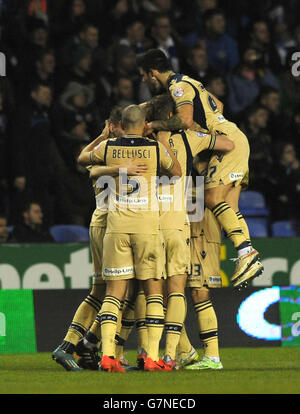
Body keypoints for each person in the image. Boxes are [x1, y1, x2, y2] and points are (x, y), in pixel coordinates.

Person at [137, 48, 264, 289]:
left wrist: (154, 124)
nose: (144, 81)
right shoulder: (189, 81)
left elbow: (183, 120)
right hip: (231, 139)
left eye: (143, 76)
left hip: (227, 143)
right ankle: (248, 256)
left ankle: (247, 252)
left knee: (211, 197)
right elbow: (219, 104)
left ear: (152, 73)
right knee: (230, 207)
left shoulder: (177, 85)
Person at [77, 104, 182, 372]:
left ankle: (108, 356)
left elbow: (83, 159)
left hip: (116, 225)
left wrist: (113, 161)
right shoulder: (154, 148)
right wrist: (160, 139)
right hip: (147, 226)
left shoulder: (109, 148)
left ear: (121, 124)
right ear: (144, 123)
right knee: (153, 290)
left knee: (114, 292)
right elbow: (177, 171)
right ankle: (151, 357)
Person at [145, 94, 233, 369]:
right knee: (183, 289)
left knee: (172, 291)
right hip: (183, 217)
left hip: (161, 220)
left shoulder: (146, 141)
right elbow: (228, 144)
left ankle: (206, 355)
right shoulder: (191, 137)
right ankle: (183, 351)